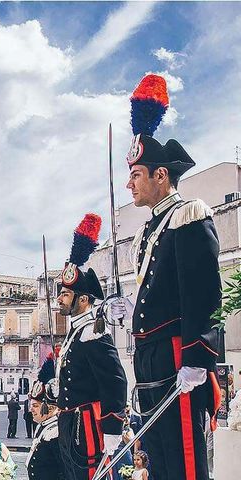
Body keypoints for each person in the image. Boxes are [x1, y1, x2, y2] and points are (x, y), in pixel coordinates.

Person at [122, 74, 221, 480]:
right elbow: (155, 296)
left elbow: (202, 293)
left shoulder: (188, 215)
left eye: (136, 175)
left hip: (178, 354)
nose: (129, 184)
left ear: (160, 175)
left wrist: (198, 356)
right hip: (150, 358)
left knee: (184, 460)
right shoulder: (150, 228)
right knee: (160, 459)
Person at [55, 213, 128, 480]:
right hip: (70, 423)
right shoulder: (76, 332)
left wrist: (112, 428)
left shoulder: (93, 333)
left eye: (65, 294)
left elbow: (115, 381)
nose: (60, 300)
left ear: (83, 299)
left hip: (86, 425)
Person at [25, 357, 64, 480]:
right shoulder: (44, 426)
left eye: (36, 406)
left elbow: (63, 471)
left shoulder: (55, 432)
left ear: (51, 408)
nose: (31, 410)